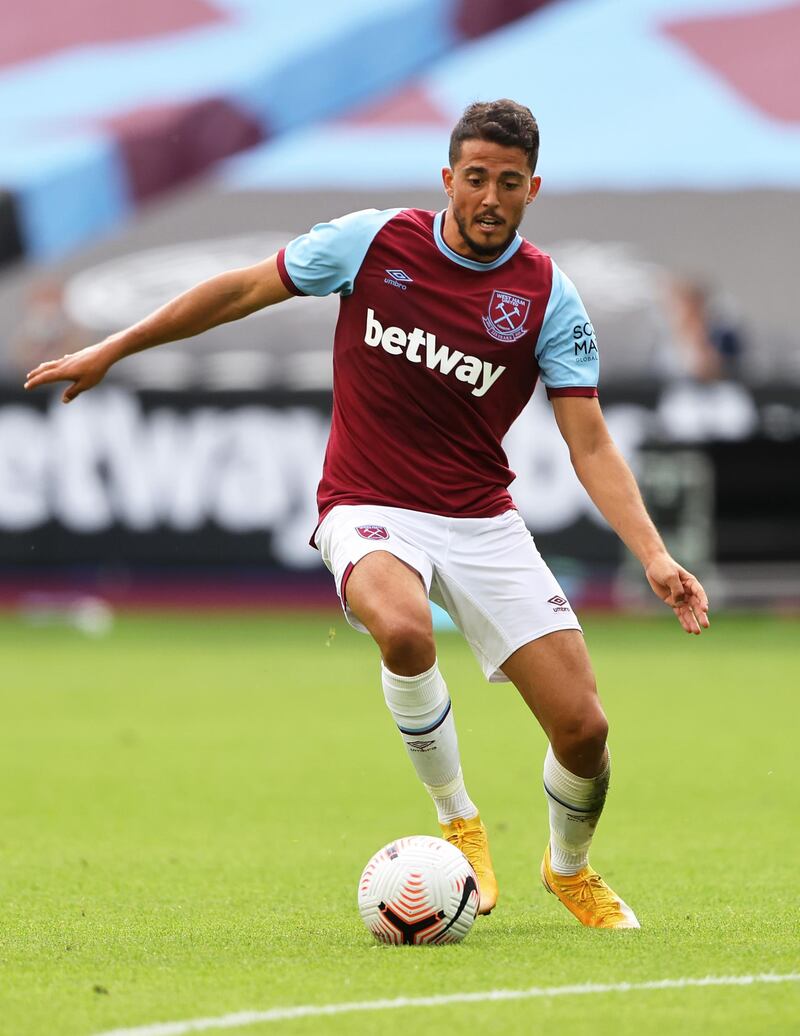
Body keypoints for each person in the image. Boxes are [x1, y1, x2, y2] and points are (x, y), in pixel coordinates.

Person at [24, 99, 709, 930]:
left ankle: (569, 870)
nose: (490, 198)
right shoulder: (374, 242)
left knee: (584, 729)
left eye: (510, 183)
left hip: (482, 518)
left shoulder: (548, 298)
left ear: (534, 189)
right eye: (477, 179)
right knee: (405, 630)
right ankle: (458, 819)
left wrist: (654, 555)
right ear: (448, 179)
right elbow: (243, 288)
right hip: (369, 502)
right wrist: (114, 347)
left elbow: (590, 444)